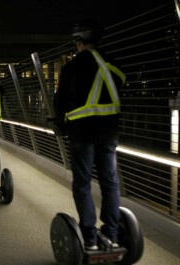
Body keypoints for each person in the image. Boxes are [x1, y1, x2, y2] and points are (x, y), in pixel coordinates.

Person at [53, 21, 126, 251]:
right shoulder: (113, 64)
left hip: (82, 134)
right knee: (110, 182)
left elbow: (60, 101)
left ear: (79, 42)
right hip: (109, 131)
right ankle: (113, 235)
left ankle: (90, 239)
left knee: (83, 183)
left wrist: (60, 124)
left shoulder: (72, 67)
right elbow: (121, 84)